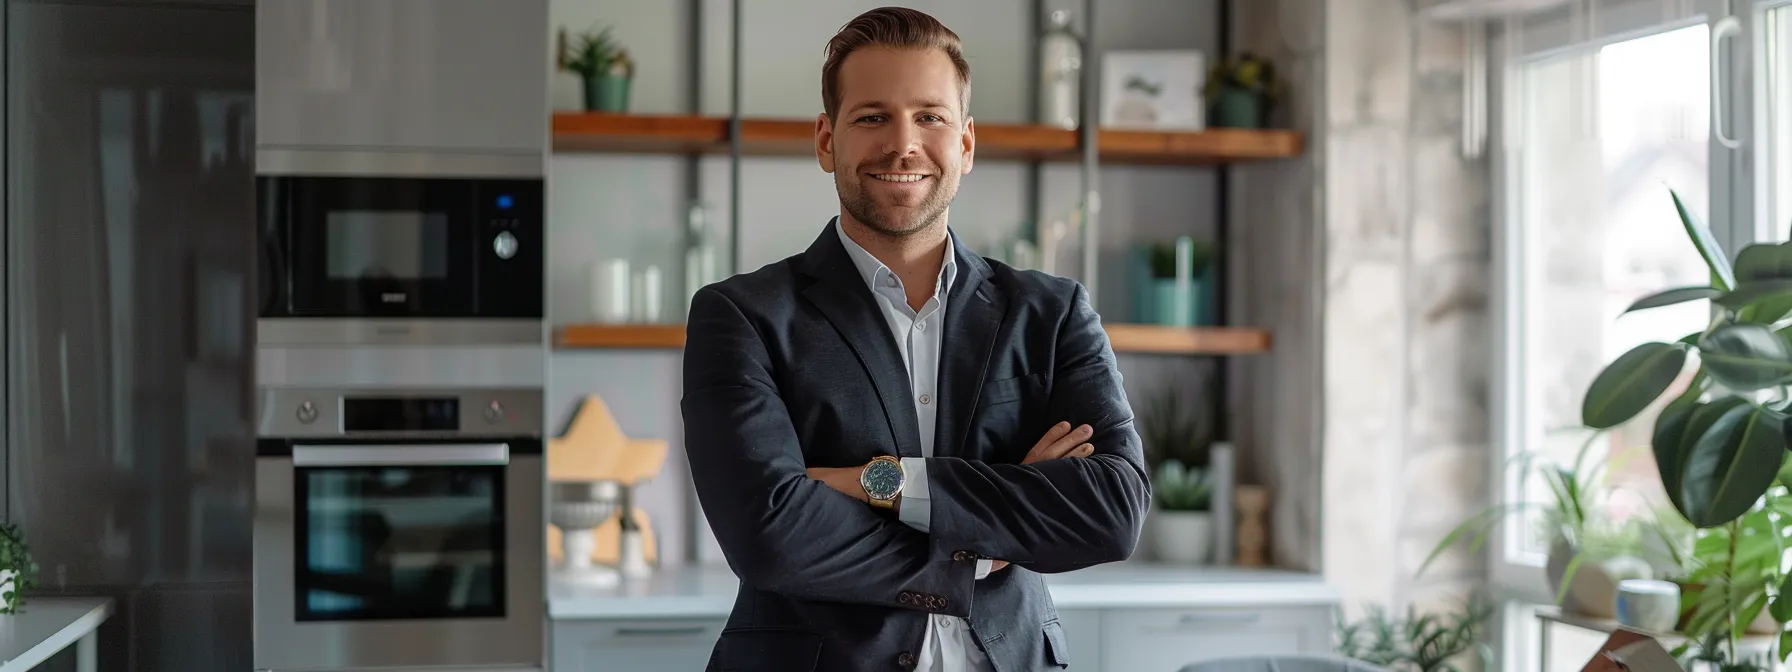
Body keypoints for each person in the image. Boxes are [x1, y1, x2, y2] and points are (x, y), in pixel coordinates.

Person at [681, 7, 1151, 671]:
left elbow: (1113, 510)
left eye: (930, 116)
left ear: (964, 143)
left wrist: (881, 483)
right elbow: (769, 533)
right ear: (827, 140)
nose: (904, 144)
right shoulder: (741, 315)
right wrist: (986, 542)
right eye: (872, 117)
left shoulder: (1052, 313)